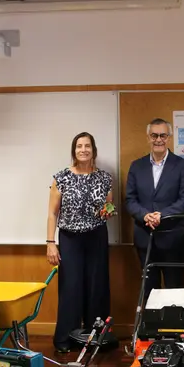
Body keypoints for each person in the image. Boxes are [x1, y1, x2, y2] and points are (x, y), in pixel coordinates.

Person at [46, 132, 114, 353]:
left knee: (97, 287)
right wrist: (50, 242)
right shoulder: (62, 177)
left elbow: (108, 207)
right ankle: (65, 338)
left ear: (94, 150)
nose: (83, 150)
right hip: (70, 238)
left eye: (87, 146)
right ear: (74, 150)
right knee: (71, 287)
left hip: (96, 236)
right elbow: (52, 214)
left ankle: (96, 338)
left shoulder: (104, 178)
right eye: (79, 146)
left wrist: (107, 211)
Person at [125, 117, 184, 303]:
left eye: (163, 135)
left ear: (169, 138)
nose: (158, 140)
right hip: (145, 238)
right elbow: (130, 200)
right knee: (149, 290)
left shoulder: (183, 166)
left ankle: (173, 332)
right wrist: (145, 215)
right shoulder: (136, 166)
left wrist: (162, 215)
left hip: (173, 237)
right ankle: (150, 332)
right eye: (154, 135)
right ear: (148, 137)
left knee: (174, 289)